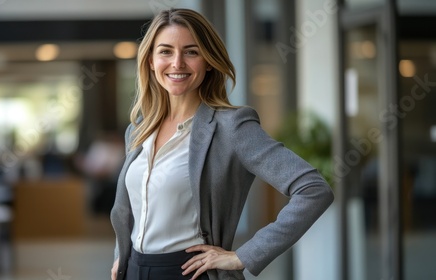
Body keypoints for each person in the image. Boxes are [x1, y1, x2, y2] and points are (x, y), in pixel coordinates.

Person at [110, 8, 334, 280]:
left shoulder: (232, 126)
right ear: (150, 61)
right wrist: (120, 255)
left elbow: (313, 189)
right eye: (166, 51)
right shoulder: (138, 130)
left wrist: (244, 255)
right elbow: (133, 208)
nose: (177, 63)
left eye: (191, 52)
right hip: (133, 270)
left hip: (191, 273)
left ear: (208, 61)